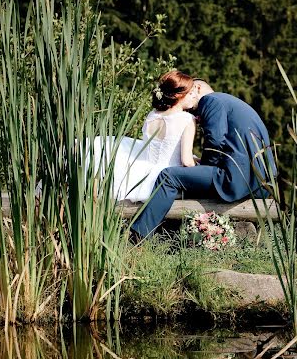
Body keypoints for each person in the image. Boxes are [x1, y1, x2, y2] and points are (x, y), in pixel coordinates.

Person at [130, 79, 277, 238]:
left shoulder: (210, 100)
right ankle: (173, 235)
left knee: (169, 176)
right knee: (187, 178)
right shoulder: (229, 102)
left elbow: (215, 141)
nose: (195, 115)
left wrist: (202, 168)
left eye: (189, 93)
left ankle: (139, 235)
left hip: (236, 179)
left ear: (197, 88)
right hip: (261, 183)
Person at [95, 70, 198, 201]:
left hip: (143, 175)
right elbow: (187, 161)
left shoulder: (152, 115)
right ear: (178, 95)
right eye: (190, 93)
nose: (194, 96)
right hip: (167, 179)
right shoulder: (187, 119)